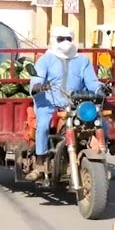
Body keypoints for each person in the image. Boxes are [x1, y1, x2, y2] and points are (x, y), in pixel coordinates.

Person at [27, 25, 106, 182]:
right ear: (53, 40)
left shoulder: (82, 61)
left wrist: (101, 89)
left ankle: (101, 165)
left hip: (77, 105)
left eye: (68, 39)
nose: (65, 42)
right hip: (48, 104)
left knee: (103, 125)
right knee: (42, 126)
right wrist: (38, 86)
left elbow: (92, 82)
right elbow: (35, 81)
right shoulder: (45, 60)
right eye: (61, 39)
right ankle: (40, 164)